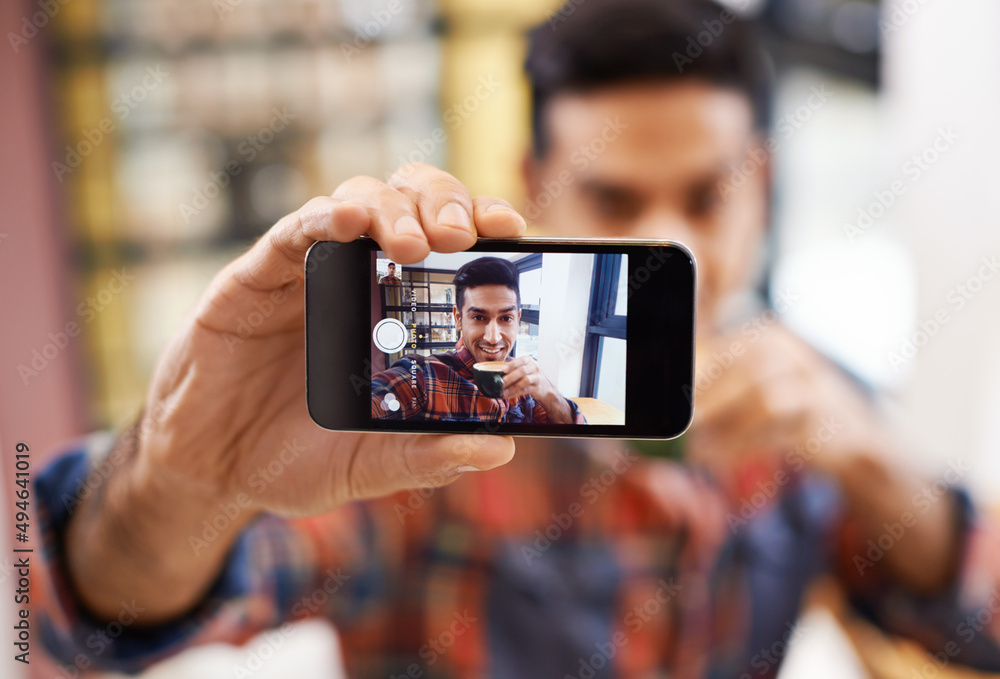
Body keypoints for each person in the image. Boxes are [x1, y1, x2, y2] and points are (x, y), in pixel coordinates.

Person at [34, 1, 1000, 677]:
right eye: (612, 197)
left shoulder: (812, 409)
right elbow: (78, 624)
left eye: (708, 194)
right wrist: (182, 478)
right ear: (531, 181)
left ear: (764, 180)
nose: (670, 241)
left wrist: (873, 462)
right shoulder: (419, 446)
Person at [371, 256, 584, 423]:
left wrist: (549, 393)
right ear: (458, 318)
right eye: (479, 317)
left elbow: (572, 443)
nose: (493, 338)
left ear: (518, 319)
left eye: (506, 318)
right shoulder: (423, 376)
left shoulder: (525, 381)